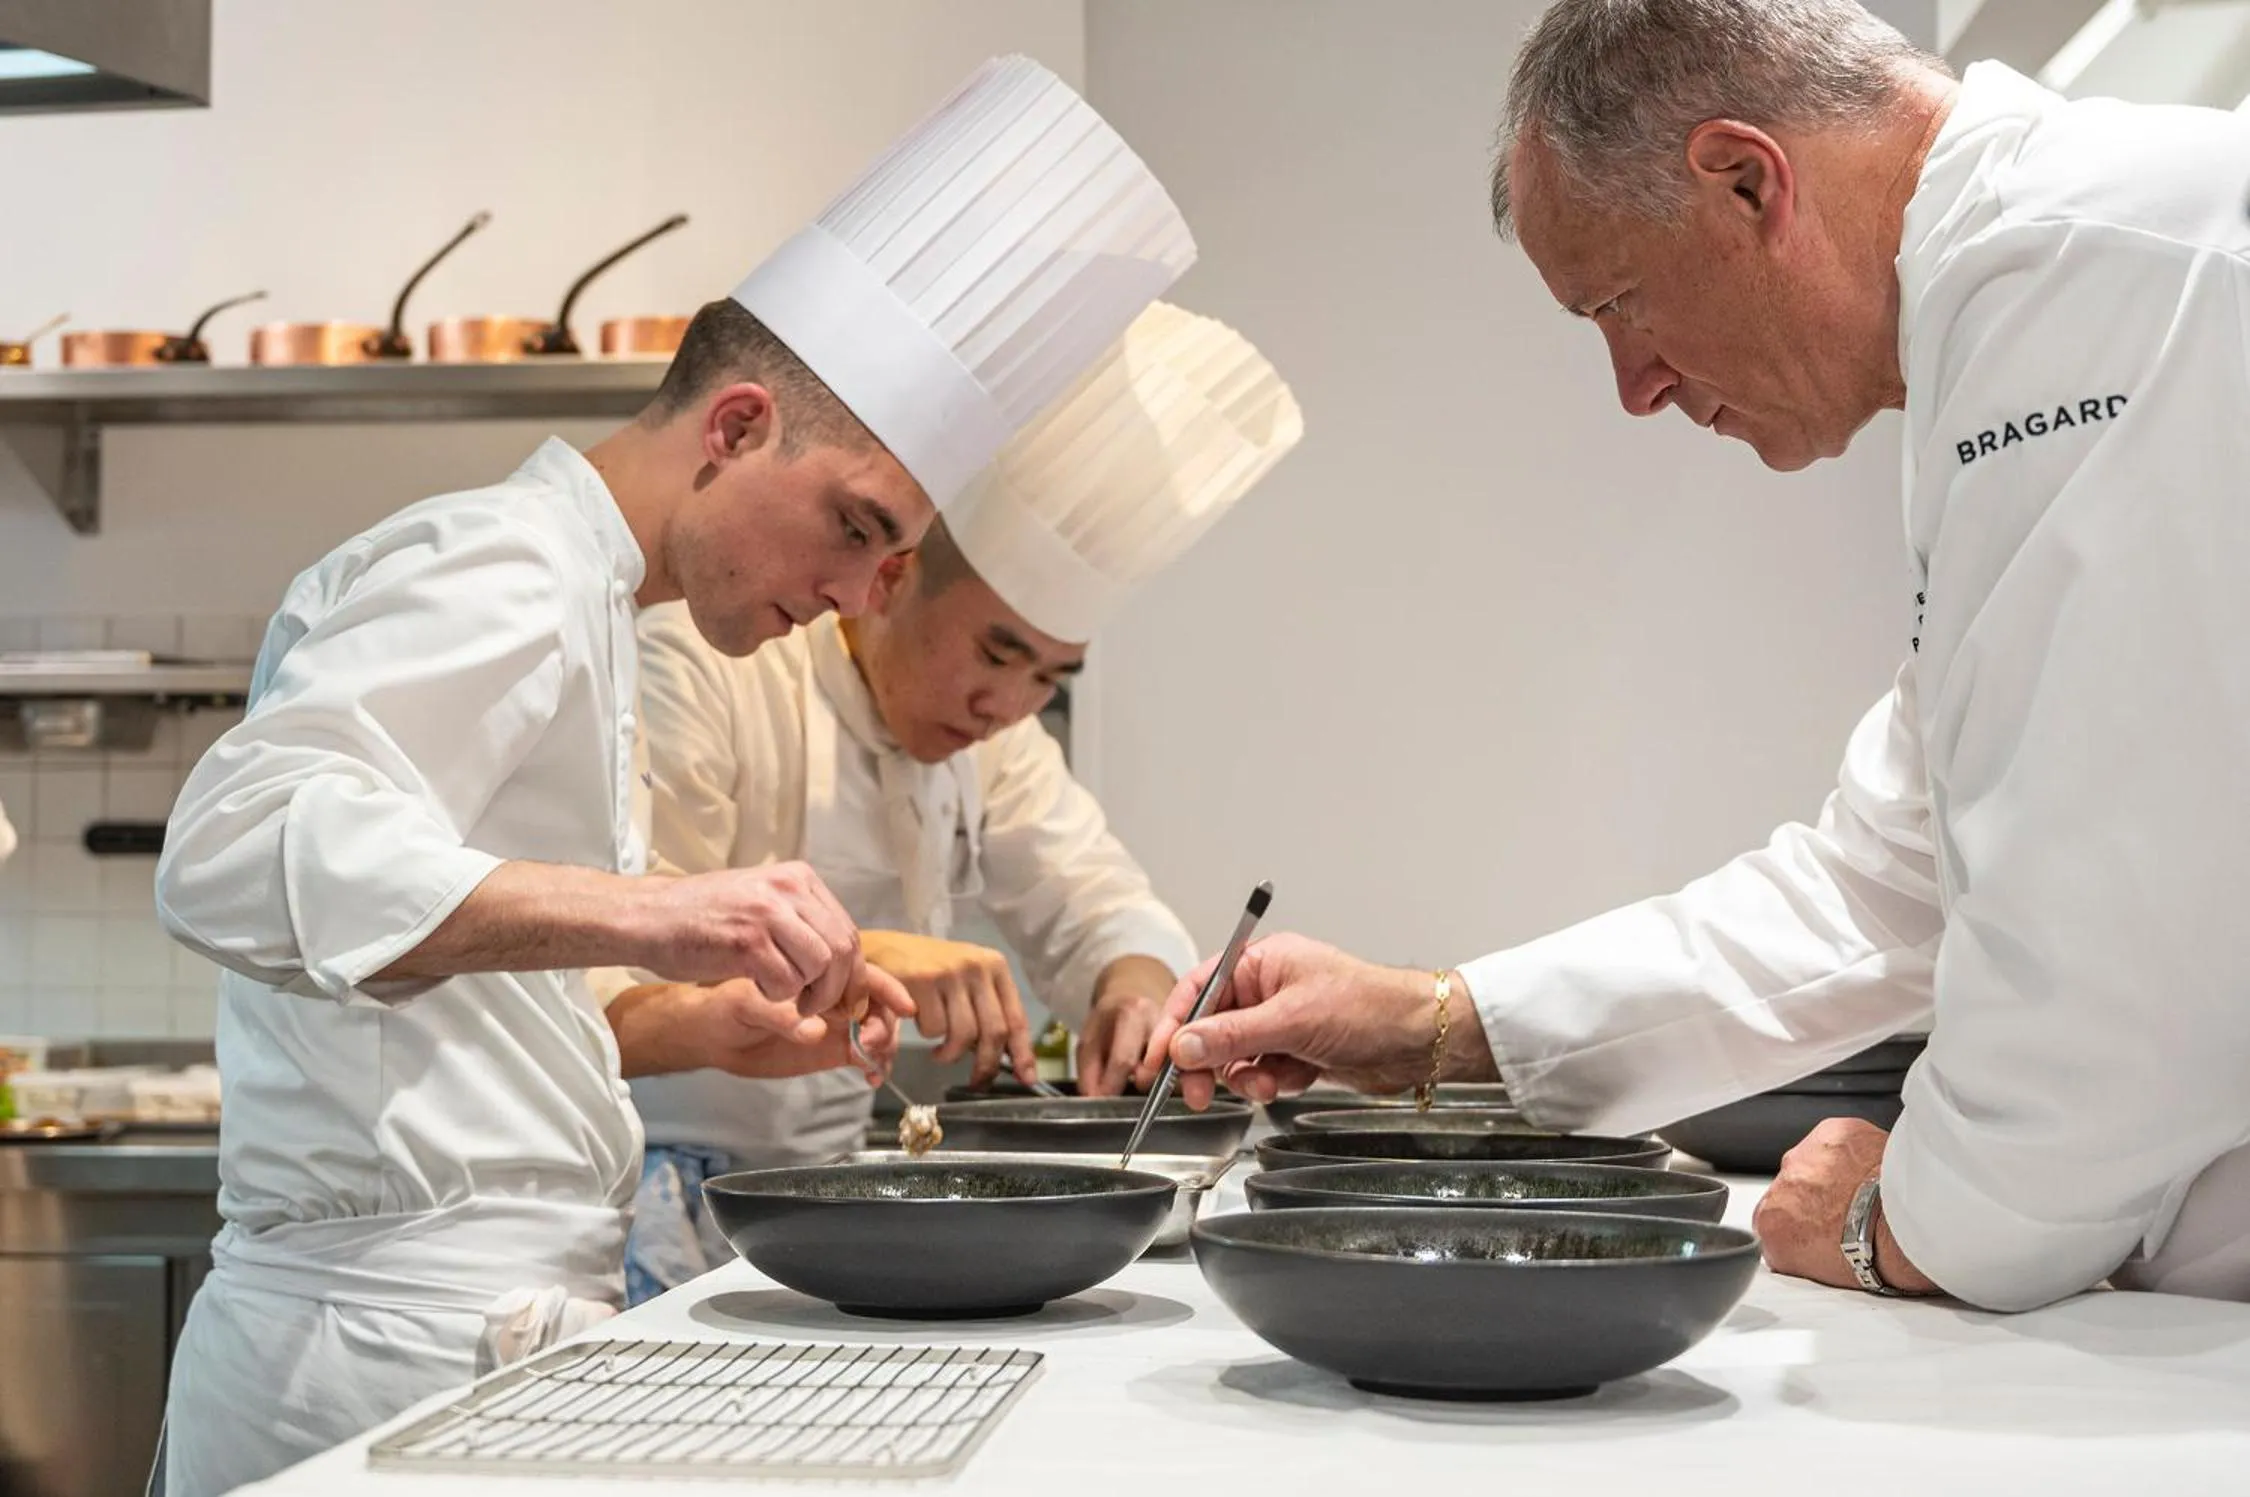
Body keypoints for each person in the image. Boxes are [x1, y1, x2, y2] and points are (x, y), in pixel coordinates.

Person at [150, 55, 1193, 1496]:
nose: (846, 594)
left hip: (466, 1330)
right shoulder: (500, 564)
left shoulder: (592, 604)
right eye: (850, 526)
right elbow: (228, 847)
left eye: (884, 559)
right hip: (363, 1351)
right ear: (736, 427)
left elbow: (471, 984)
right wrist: (657, 914)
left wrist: (705, 1013)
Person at [1146, 0, 2250, 1315]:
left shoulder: (2095, 275)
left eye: (1618, 303)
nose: (1633, 386)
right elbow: (1876, 881)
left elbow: (2113, 979)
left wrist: (1905, 1226)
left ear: (1744, 179)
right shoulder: (2028, 307)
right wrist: (1432, 1021)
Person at [613, 301, 1302, 1300]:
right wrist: (857, 955)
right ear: (886, 582)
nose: (1010, 704)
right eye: (995, 653)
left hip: (833, 1179)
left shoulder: (995, 737)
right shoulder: (716, 663)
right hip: (658, 1183)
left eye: (1049, 680)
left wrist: (1132, 994)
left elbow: (1093, 898)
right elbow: (619, 953)